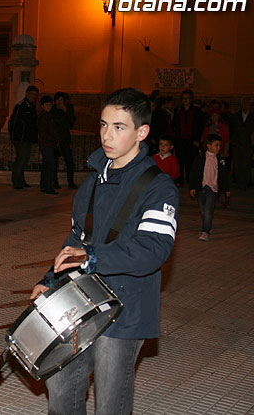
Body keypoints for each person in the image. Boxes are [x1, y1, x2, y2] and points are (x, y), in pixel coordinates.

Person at [31, 88, 179, 414]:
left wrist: (94, 258)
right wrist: (51, 280)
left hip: (126, 308)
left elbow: (153, 250)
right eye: (102, 125)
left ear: (142, 132)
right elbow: (77, 237)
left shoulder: (158, 187)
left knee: (110, 401)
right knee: (62, 385)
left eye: (119, 127)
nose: (106, 136)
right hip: (82, 301)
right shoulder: (93, 182)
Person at [190, 134, 230, 241]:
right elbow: (194, 173)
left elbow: (225, 175)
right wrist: (192, 187)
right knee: (203, 211)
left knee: (208, 210)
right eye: (216, 145)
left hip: (213, 189)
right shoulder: (200, 158)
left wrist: (227, 189)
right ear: (208, 146)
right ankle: (208, 224)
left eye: (219, 145)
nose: (218, 148)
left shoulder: (220, 160)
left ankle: (205, 231)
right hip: (201, 188)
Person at [8, 85, 39, 189]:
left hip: (28, 138)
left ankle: (21, 180)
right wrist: (14, 136)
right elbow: (13, 122)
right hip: (20, 138)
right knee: (21, 159)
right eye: (32, 94)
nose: (33, 97)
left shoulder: (33, 107)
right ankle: (17, 181)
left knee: (24, 159)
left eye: (35, 95)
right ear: (27, 94)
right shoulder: (20, 106)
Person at [172, 89, 204, 186]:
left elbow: (199, 127)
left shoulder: (197, 111)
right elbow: (175, 126)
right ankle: (180, 180)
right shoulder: (178, 111)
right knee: (180, 161)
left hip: (192, 140)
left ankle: (191, 180)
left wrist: (197, 139)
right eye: (183, 98)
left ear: (191, 99)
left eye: (187, 98)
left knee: (191, 161)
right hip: (180, 140)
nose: (185, 100)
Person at [52, 91, 78, 189]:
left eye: (61, 100)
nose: (59, 102)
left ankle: (71, 182)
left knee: (69, 162)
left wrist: (65, 110)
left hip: (65, 139)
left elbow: (71, 122)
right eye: (58, 100)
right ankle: (55, 182)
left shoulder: (68, 109)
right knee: (54, 163)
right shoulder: (53, 109)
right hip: (55, 139)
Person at [230, 97, 254, 189]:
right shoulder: (235, 116)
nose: (246, 105)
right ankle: (239, 182)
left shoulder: (252, 117)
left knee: (246, 164)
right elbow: (231, 130)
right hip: (237, 144)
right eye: (244, 103)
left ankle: (244, 182)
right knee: (237, 164)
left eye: (248, 103)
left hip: (248, 145)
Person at [37, 95, 59, 194]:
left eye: (50, 105)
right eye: (47, 105)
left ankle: (45, 185)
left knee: (47, 165)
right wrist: (53, 139)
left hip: (50, 143)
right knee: (49, 165)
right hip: (46, 144)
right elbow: (44, 132)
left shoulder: (50, 116)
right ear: (42, 106)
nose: (49, 107)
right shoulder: (43, 117)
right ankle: (48, 186)